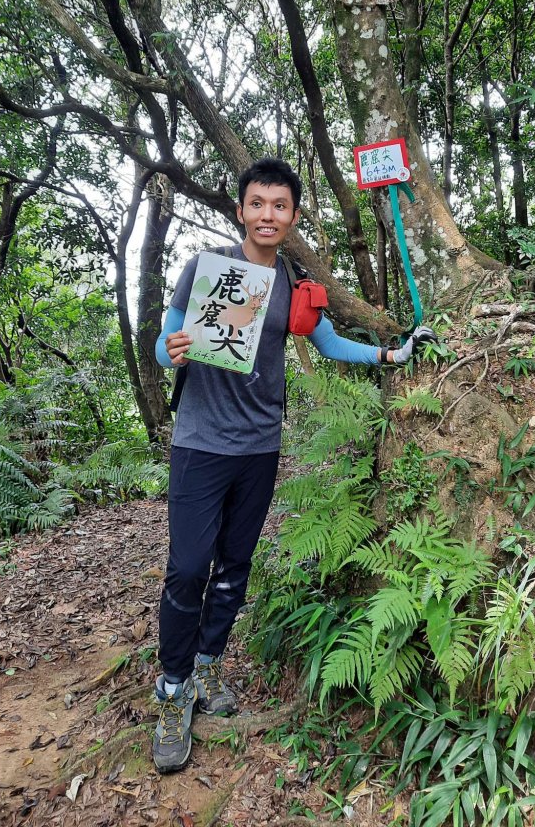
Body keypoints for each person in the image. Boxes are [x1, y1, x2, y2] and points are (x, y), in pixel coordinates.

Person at [152, 157, 436, 772]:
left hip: (259, 447)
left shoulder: (293, 285)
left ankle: (206, 669)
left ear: (293, 216)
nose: (267, 215)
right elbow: (168, 333)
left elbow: (328, 342)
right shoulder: (208, 269)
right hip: (200, 443)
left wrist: (393, 352)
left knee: (233, 567)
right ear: (240, 210)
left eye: (279, 206)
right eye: (257, 203)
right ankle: (171, 692)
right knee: (186, 568)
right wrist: (168, 348)